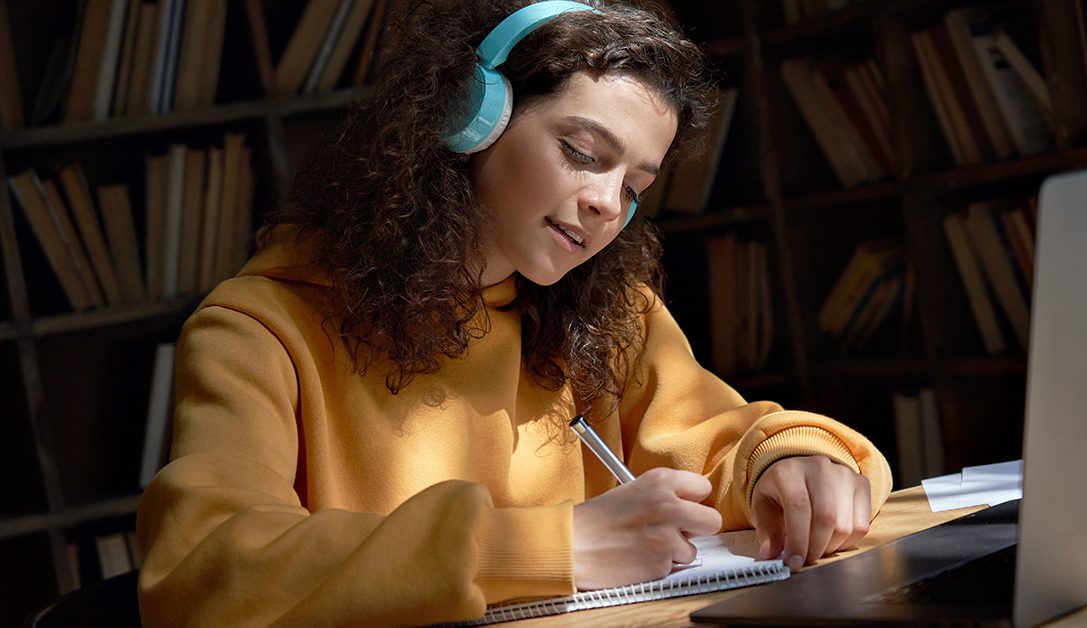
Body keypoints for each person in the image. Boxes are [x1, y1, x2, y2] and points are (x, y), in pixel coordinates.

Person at [135, 0, 892, 625]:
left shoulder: (611, 311)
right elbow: (205, 571)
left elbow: (719, 443)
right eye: (585, 153)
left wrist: (787, 459)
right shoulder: (259, 327)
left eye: (635, 186)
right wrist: (549, 545)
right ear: (474, 119)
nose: (606, 204)